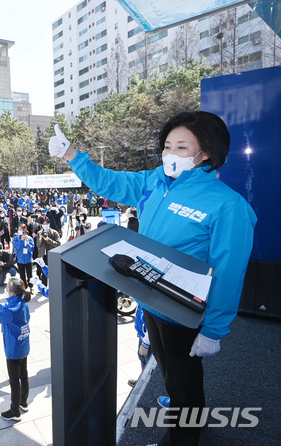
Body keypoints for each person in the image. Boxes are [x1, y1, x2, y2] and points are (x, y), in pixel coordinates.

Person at [52, 111, 257, 446]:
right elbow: (109, 181)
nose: (169, 154)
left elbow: (230, 271)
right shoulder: (154, 181)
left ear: (205, 153)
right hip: (152, 300)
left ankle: (184, 434)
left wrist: (214, 329)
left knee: (184, 379)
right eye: (166, 146)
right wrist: (71, 153)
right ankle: (187, 409)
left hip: (184, 310)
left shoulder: (227, 205)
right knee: (171, 374)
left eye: (180, 147)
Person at [0, 277, 31, 421]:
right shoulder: (23, 302)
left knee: (14, 381)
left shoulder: (11, 311)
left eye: (7, 287)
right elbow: (6, 309)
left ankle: (15, 411)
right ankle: (24, 402)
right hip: (24, 345)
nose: (6, 289)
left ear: (12, 293)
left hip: (13, 350)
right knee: (24, 375)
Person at [35, 217, 60, 286]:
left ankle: (53, 287)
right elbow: (38, 245)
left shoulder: (54, 233)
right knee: (43, 273)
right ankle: (44, 287)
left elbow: (58, 244)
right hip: (43, 256)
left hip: (52, 256)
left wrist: (48, 240)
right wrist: (40, 238)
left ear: (49, 224)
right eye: (43, 224)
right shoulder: (39, 233)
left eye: (46, 223)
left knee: (52, 272)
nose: (45, 225)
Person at [12, 224, 34, 289]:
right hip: (20, 260)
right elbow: (16, 247)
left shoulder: (30, 238)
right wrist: (21, 240)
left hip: (28, 260)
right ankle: (24, 287)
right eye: (19, 229)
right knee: (22, 275)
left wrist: (27, 243)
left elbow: (31, 249)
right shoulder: (16, 238)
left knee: (30, 275)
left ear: (25, 230)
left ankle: (31, 287)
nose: (21, 230)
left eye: (22, 229)